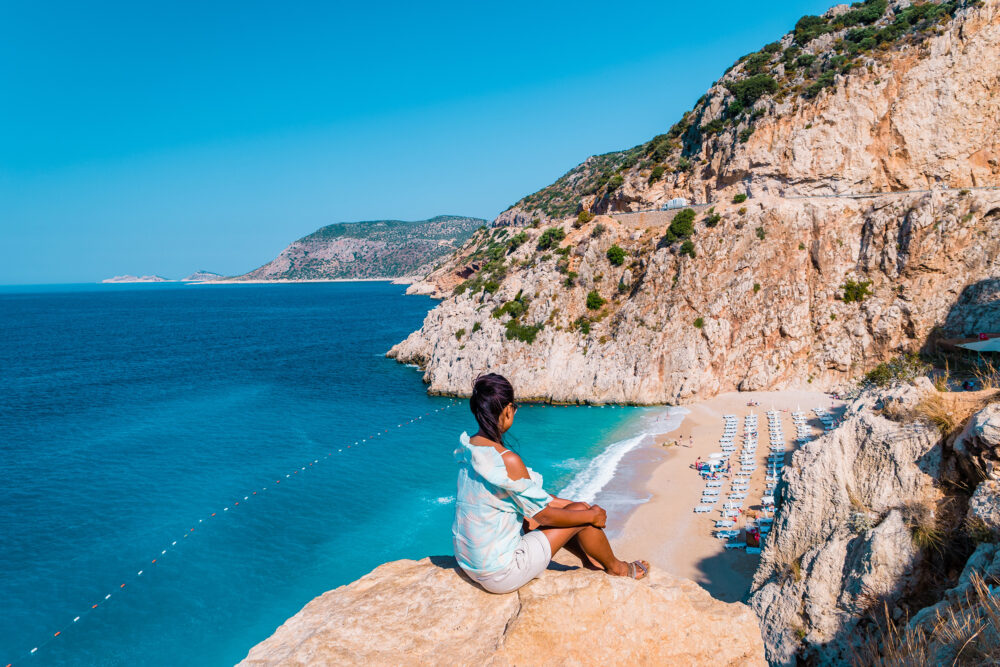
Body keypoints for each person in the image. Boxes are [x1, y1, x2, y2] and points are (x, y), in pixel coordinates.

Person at [453, 372, 650, 594]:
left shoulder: (468, 448)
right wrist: (590, 515)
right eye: (514, 408)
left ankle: (590, 561)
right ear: (508, 410)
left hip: (469, 561)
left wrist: (576, 507)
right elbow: (544, 516)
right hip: (501, 573)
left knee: (572, 510)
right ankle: (618, 568)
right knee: (577, 514)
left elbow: (532, 495)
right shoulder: (507, 459)